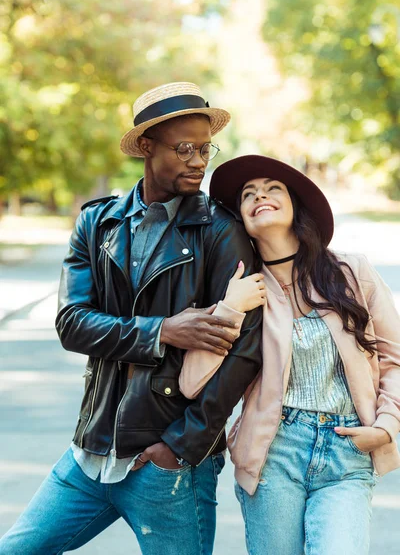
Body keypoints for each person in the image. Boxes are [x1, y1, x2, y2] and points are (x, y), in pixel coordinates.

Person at [0, 84, 264, 555]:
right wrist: (162, 330)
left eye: (206, 149)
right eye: (184, 148)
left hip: (167, 465)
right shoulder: (97, 223)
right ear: (146, 146)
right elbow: (72, 323)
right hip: (91, 451)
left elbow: (244, 350)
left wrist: (180, 448)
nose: (199, 161)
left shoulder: (221, 231)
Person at [180, 154, 400, 555]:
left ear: (296, 204)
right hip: (273, 454)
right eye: (248, 194)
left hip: (348, 451)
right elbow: (191, 382)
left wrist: (387, 425)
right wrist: (229, 308)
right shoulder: (240, 289)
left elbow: (394, 358)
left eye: (272, 188)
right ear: (240, 218)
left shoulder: (352, 272)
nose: (259, 195)